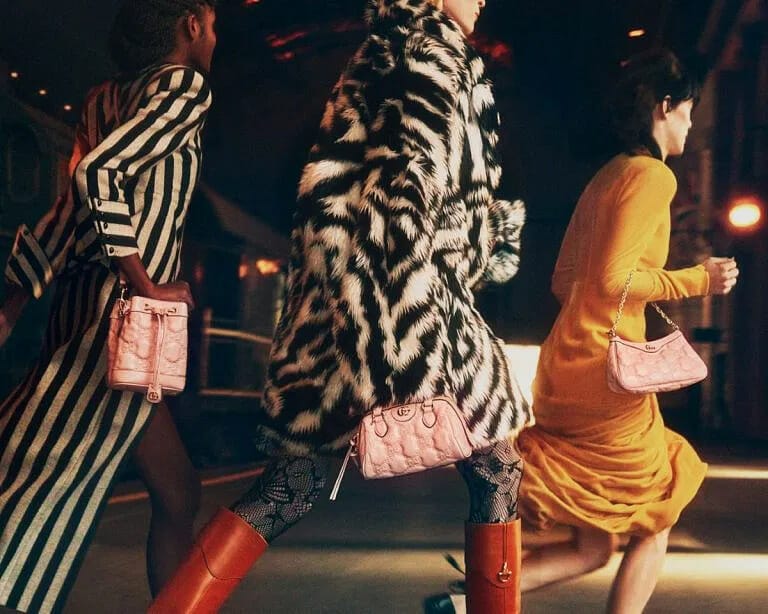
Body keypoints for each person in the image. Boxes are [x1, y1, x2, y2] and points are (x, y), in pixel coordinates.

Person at [149, 1, 532, 612]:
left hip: (339, 321)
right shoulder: (429, 54)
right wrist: (400, 348)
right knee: (497, 472)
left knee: (292, 487)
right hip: (406, 314)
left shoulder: (389, 52)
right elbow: (396, 206)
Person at [0, 1, 216, 611]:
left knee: (177, 491)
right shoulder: (184, 87)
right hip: (121, 320)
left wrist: (14, 303)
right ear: (190, 25)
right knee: (47, 467)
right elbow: (97, 175)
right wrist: (145, 282)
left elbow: (69, 207)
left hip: (89, 307)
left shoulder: (103, 99)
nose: (214, 39)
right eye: (212, 26)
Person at [511, 49, 738, 613]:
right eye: (688, 110)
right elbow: (616, 280)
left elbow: (565, 280)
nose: (690, 123)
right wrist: (699, 279)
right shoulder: (653, 176)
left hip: (566, 364)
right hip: (607, 376)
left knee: (594, 546)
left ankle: (469, 601)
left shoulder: (608, 174)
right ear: (664, 107)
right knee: (660, 506)